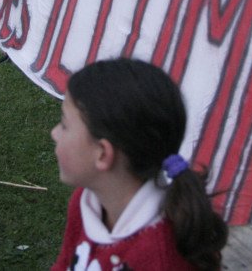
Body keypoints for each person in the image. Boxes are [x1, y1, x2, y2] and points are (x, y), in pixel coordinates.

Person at [51, 58, 228, 271]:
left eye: (64, 125)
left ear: (103, 154)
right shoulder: (87, 202)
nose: (54, 133)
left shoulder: (159, 259)